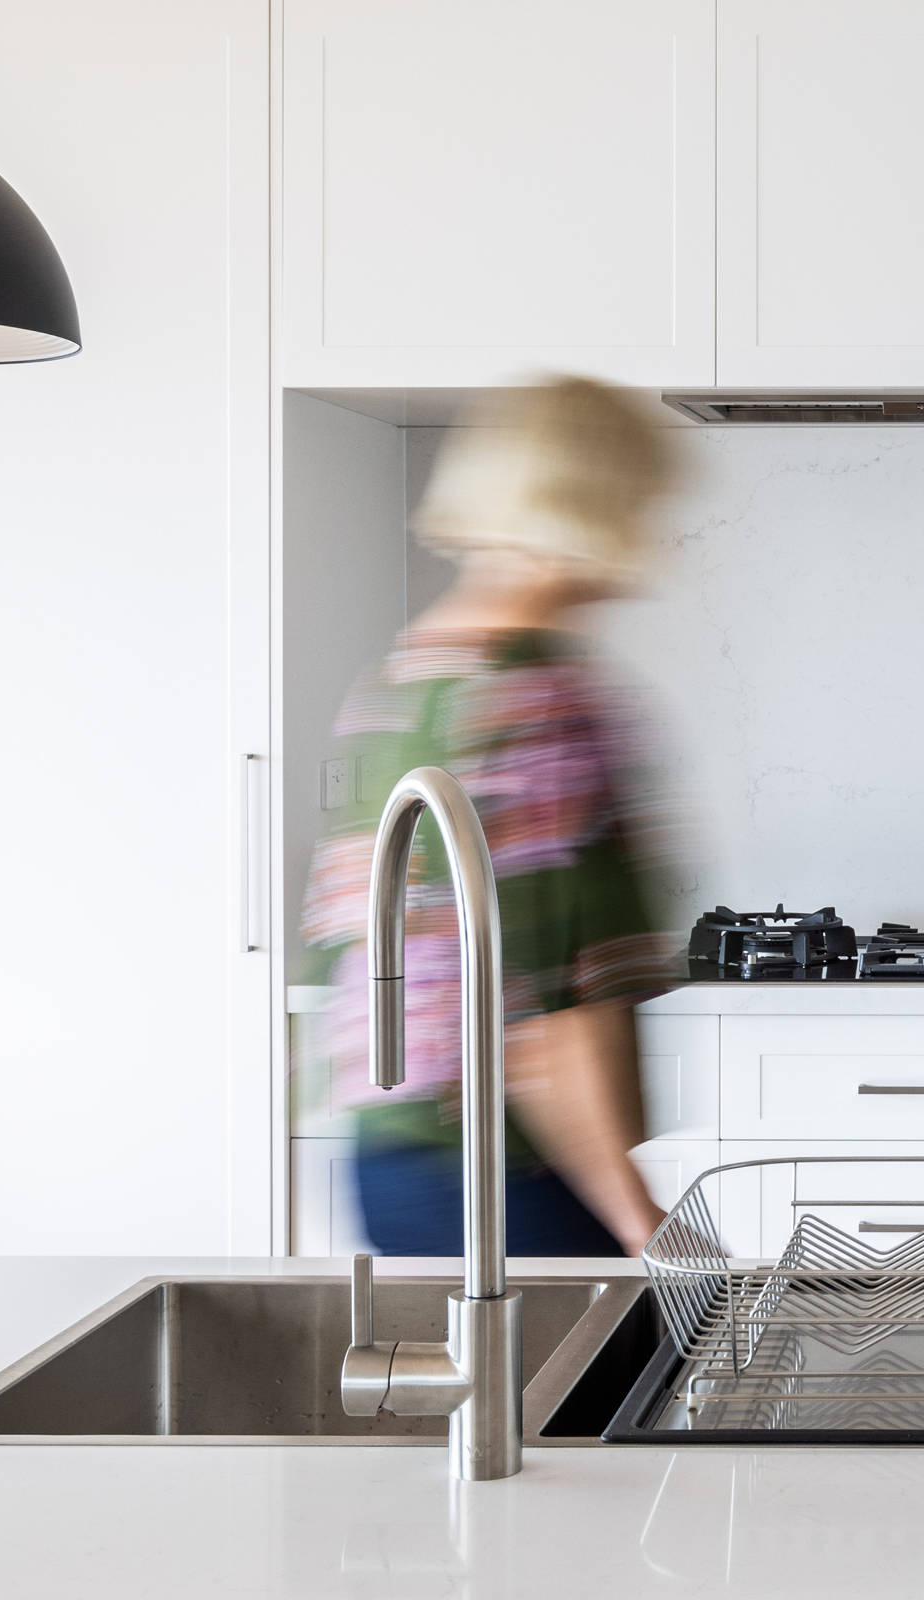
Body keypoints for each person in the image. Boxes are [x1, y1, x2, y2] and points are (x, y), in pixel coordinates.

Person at [300, 376, 686, 1257]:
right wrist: (640, 1224)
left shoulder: (405, 677)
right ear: (598, 504)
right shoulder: (537, 697)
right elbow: (545, 1014)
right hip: (514, 1172)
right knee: (594, 1396)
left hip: (391, 1155)